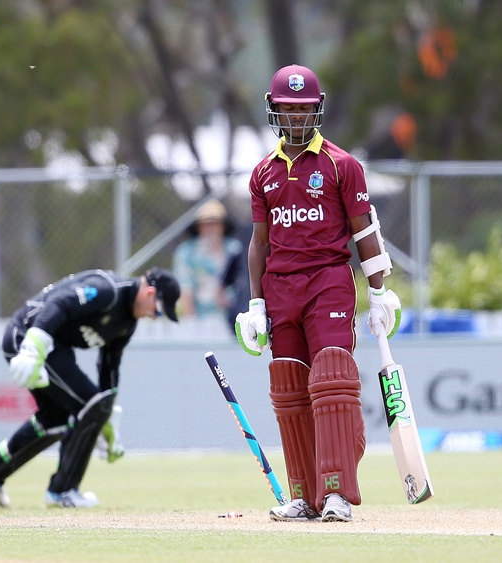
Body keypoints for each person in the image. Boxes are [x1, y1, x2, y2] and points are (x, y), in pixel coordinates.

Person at [235, 64, 401, 523]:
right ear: (274, 111)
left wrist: (380, 292)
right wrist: (255, 304)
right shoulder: (262, 174)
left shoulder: (341, 164)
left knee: (330, 379)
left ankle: (337, 494)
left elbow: (364, 230)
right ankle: (304, 496)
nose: (296, 118)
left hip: (327, 281)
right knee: (289, 388)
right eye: (288, 110)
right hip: (279, 288)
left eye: (304, 109)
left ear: (317, 109)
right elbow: (259, 243)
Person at [0, 267, 180, 508]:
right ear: (150, 293)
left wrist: (107, 417)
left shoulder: (126, 325)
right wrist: (33, 347)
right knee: (88, 404)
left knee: (58, 417)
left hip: (54, 349)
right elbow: (59, 303)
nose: (155, 316)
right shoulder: (108, 291)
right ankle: (62, 491)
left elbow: (109, 367)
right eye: (158, 310)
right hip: (27, 336)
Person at [172, 199, 245, 325]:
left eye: (215, 223)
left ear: (223, 226)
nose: (211, 228)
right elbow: (185, 291)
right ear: (199, 227)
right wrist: (192, 324)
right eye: (206, 224)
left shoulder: (235, 249)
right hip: (201, 318)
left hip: (236, 318)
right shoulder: (186, 253)